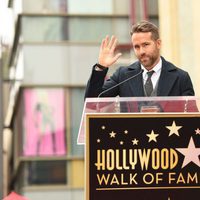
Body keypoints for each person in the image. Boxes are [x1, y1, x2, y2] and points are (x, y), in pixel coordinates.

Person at [84, 20, 195, 98]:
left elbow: (191, 120)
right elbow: (93, 101)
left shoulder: (181, 78)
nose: (141, 51)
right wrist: (101, 67)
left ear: (158, 43)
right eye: (136, 47)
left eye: (146, 44)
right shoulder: (123, 75)